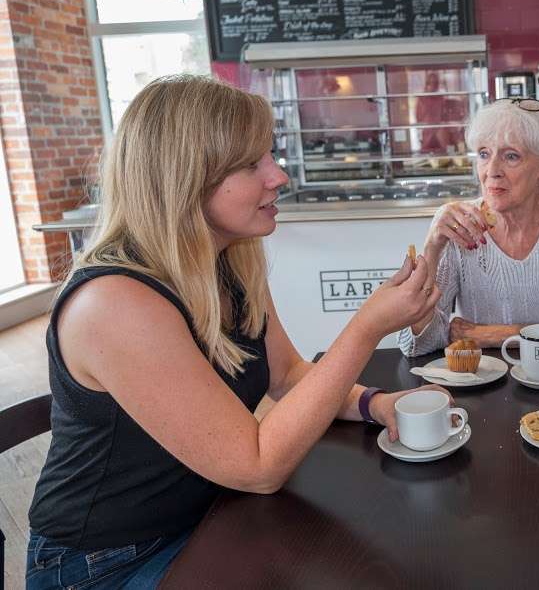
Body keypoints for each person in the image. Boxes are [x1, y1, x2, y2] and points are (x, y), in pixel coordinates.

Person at [25, 75, 445, 588]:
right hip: (109, 562)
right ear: (184, 178)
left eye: (271, 155)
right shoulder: (114, 303)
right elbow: (258, 465)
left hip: (214, 514)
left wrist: (374, 403)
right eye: (253, 164)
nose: (279, 176)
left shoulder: (229, 258)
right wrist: (366, 327)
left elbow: (288, 374)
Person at [397, 98, 539, 355]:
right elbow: (415, 344)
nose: (492, 171)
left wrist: (487, 335)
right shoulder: (460, 224)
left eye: (511, 156)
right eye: (483, 154)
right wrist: (433, 246)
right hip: (480, 387)